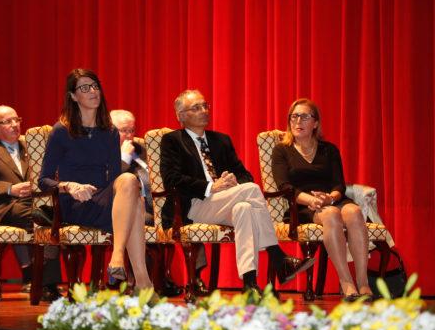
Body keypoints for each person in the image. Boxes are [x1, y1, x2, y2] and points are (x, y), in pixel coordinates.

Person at [160, 89, 314, 295]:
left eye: (205, 105)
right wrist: (210, 186)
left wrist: (233, 181)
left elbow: (245, 176)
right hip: (192, 205)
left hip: (225, 202)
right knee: (250, 192)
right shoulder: (172, 141)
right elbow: (172, 180)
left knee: (244, 208)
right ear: (180, 116)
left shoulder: (221, 140)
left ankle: (250, 284)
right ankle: (277, 256)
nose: (204, 110)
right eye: (196, 108)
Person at [39, 68, 154, 292]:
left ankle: (121, 260)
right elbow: (43, 180)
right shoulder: (61, 131)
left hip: (105, 200)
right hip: (76, 204)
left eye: (95, 86)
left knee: (129, 183)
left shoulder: (109, 132)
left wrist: (117, 190)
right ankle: (141, 281)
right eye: (84, 87)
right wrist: (69, 186)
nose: (92, 91)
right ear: (73, 96)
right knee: (136, 206)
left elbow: (115, 177)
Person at [271, 98, 373, 301]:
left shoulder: (329, 150)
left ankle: (363, 283)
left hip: (331, 200)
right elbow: (285, 186)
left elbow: (339, 185)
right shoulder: (281, 150)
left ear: (315, 123)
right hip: (301, 205)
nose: (298, 121)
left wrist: (331, 197)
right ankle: (346, 282)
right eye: (294, 116)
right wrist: (312, 200)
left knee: (354, 211)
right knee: (332, 215)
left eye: (304, 116)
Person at [0, 105, 62, 301]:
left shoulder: (32, 146)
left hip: (34, 202)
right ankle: (47, 283)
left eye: (16, 120)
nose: (14, 125)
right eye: (7, 121)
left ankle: (44, 281)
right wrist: (11, 189)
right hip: (7, 206)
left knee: (53, 216)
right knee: (42, 217)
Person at [110, 109, 182, 297]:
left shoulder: (142, 150)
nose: (129, 135)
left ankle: (188, 277)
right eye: (123, 130)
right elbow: (108, 182)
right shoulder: (105, 152)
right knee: (142, 217)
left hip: (157, 204)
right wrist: (123, 158)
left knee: (185, 215)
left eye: (132, 130)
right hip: (125, 207)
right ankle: (144, 280)